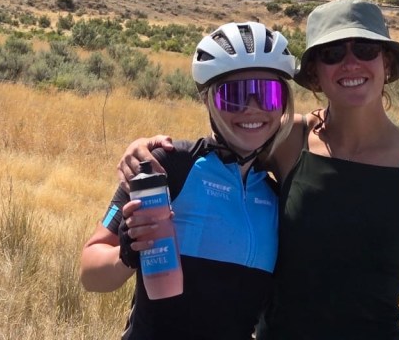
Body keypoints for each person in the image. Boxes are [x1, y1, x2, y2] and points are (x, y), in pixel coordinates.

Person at [119, 0, 399, 339]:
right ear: (314, 73)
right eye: (332, 53)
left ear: (386, 61)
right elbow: (221, 143)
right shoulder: (289, 139)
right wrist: (146, 147)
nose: (351, 63)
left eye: (366, 49)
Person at [81, 21, 297, 340]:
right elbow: (90, 274)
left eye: (268, 94)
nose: (252, 109)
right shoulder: (169, 165)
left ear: (284, 102)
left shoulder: (275, 195)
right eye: (234, 95)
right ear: (207, 99)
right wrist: (126, 255)